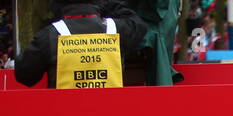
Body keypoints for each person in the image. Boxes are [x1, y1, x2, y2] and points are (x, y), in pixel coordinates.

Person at [15, 0, 147, 88]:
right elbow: (140, 25)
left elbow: (24, 75)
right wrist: (106, 4)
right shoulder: (116, 29)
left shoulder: (49, 35)